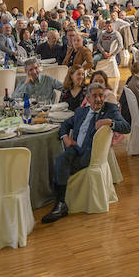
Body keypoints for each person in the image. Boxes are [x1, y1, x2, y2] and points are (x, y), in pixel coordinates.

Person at [41, 84, 130, 223]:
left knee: (62, 167)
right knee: (60, 160)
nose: (98, 99)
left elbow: (126, 127)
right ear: (88, 98)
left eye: (101, 95)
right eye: (94, 96)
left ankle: (60, 203)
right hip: (75, 149)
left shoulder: (110, 110)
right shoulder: (80, 111)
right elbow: (65, 124)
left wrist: (109, 122)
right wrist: (65, 138)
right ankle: (60, 203)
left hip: (90, 153)